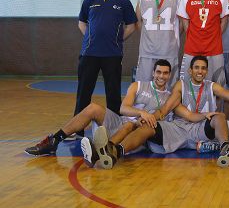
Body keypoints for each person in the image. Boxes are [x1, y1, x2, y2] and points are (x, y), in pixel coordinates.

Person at [84, 56, 229, 169]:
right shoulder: (180, 86)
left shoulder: (211, 86)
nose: (200, 71)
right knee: (150, 126)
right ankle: (115, 152)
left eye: (203, 69)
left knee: (219, 116)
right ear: (190, 71)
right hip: (179, 126)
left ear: (207, 71)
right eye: (197, 68)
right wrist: (150, 117)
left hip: (201, 128)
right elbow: (169, 109)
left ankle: (226, 148)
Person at [25, 59, 172, 159]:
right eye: (158, 72)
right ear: (153, 73)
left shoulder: (169, 97)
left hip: (134, 135)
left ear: (169, 75)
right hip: (119, 123)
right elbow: (123, 108)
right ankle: (54, 141)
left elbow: (162, 119)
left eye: (165, 73)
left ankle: (101, 151)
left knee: (130, 125)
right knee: (93, 108)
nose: (161, 76)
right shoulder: (138, 86)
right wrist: (142, 112)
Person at [74, 0, 137, 137]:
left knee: (113, 94)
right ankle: (78, 129)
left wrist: (118, 39)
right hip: (89, 54)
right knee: (83, 92)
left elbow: (132, 25)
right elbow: (82, 23)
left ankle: (114, 127)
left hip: (112, 55)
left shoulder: (123, 1)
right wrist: (90, 39)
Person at [177, 0, 229, 86]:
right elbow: (185, 23)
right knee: (188, 86)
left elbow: (224, 21)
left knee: (216, 87)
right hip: (192, 49)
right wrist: (197, 37)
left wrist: (213, 37)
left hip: (214, 50)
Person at [135, 0, 183, 89]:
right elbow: (138, 21)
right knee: (144, 87)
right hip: (147, 51)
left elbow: (182, 24)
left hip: (168, 50)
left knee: (169, 89)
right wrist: (149, 36)